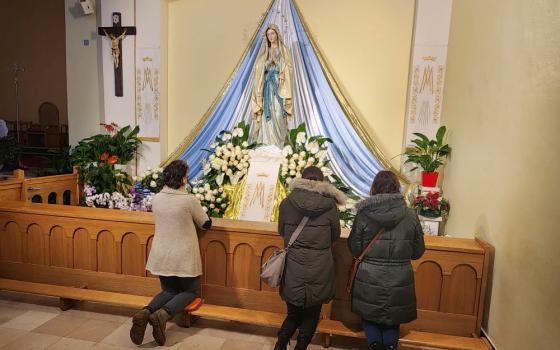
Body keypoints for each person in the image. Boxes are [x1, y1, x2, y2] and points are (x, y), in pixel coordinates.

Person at [129, 160, 211, 346]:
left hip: (161, 253)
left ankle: (145, 312)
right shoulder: (188, 200)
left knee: (169, 290)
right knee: (191, 292)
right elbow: (205, 223)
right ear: (183, 179)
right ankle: (162, 315)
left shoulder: (157, 198)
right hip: (182, 255)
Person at [347, 171, 425, 350]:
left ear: (374, 188)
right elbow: (418, 252)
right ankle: (390, 346)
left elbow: (354, 248)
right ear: (397, 187)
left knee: (369, 315)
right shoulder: (410, 215)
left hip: (369, 275)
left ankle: (374, 345)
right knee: (393, 318)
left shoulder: (364, 214)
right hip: (399, 277)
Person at [275, 166, 345, 350]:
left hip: (294, 265)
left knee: (293, 313)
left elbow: (282, 231)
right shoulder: (329, 205)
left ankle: (280, 344)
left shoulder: (287, 202)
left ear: (302, 180)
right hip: (320, 265)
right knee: (312, 313)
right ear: (321, 182)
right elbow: (335, 235)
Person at [251, 24, 293, 148]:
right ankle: (267, 143)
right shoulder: (265, 51)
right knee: (267, 112)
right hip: (268, 86)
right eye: (268, 34)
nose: (271, 36)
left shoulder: (284, 50)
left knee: (279, 113)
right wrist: (266, 63)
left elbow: (289, 67)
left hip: (280, 85)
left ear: (277, 34)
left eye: (272, 33)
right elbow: (258, 69)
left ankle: (280, 143)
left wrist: (280, 66)